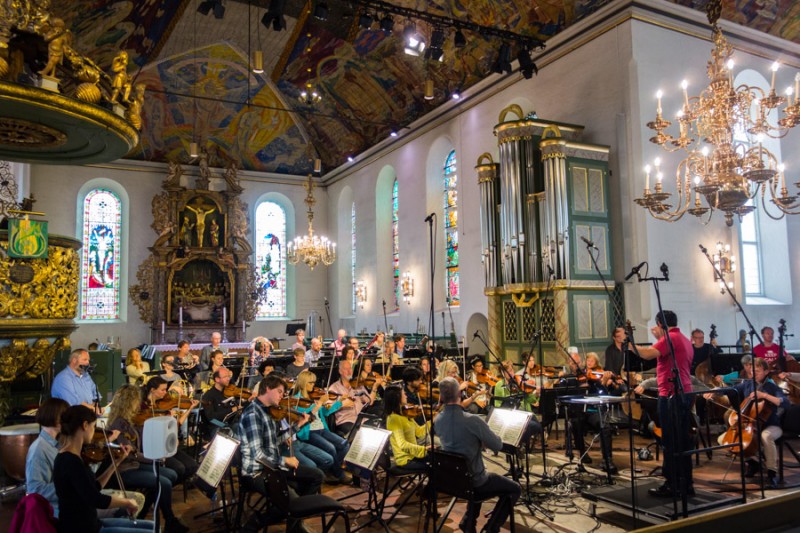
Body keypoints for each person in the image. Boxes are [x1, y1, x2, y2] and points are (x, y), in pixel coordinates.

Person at [235, 375, 321, 533]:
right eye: (280, 391)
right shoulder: (253, 414)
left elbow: (274, 441)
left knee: (316, 476)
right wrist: (284, 460)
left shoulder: (266, 411)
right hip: (257, 472)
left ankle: (293, 520)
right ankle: (258, 521)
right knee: (291, 500)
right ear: (267, 389)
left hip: (272, 466)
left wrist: (297, 426)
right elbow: (258, 455)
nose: (282, 396)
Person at [434, 377, 520, 533]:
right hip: (474, 482)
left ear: (441, 397)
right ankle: (492, 528)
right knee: (514, 488)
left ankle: (468, 522)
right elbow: (497, 445)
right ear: (460, 394)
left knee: (475, 471)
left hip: (453, 480)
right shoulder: (472, 420)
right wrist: (483, 439)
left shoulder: (438, 420)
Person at [53, 405, 155, 533]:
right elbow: (97, 499)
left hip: (92, 523)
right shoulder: (69, 461)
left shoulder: (76, 456)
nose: (94, 431)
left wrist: (116, 462)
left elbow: (94, 487)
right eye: (93, 426)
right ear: (85, 425)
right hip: (81, 528)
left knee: (153, 527)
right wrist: (127, 502)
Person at [106, 385, 186, 531]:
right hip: (123, 469)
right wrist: (154, 459)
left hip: (134, 464)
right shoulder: (119, 423)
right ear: (130, 402)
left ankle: (144, 511)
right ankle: (169, 520)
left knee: (171, 475)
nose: (139, 403)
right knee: (164, 483)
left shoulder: (128, 420)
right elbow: (129, 453)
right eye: (136, 400)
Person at [635, 310, 694, 498]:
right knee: (681, 441)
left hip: (671, 395)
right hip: (684, 393)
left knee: (670, 441)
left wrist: (629, 344)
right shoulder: (683, 338)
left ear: (660, 323)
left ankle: (673, 484)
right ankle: (686, 484)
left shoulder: (671, 338)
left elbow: (647, 354)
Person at [705, 357, 789, 487]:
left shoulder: (771, 387)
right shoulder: (748, 384)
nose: (754, 374)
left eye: (758, 371)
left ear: (766, 372)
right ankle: (753, 463)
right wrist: (715, 392)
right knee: (724, 440)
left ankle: (772, 473)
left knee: (765, 436)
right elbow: (731, 390)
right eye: (753, 371)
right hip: (751, 425)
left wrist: (765, 396)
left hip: (771, 425)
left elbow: (785, 402)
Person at [292, 370, 353, 484]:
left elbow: (325, 413)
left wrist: (339, 402)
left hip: (321, 428)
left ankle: (333, 470)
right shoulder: (297, 399)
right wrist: (319, 403)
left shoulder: (313, 396)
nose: (313, 385)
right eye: (311, 383)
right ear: (303, 383)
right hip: (309, 431)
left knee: (344, 444)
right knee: (331, 448)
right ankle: (339, 474)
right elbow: (304, 416)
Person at [141, 377, 199, 483]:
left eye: (166, 389)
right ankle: (162, 487)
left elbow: (176, 424)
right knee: (179, 468)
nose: (165, 393)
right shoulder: (143, 408)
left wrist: (190, 408)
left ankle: (170, 485)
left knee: (192, 465)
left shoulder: (164, 405)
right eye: (162, 390)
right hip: (155, 446)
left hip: (167, 444)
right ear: (152, 390)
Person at [25, 398, 70, 516]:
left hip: (68, 506)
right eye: (65, 417)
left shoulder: (57, 444)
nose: (68, 421)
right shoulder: (39, 449)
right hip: (55, 513)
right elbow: (35, 490)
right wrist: (72, 489)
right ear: (55, 418)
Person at [328, 359, 381, 437]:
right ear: (340, 371)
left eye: (350, 368)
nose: (349, 371)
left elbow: (370, 401)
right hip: (346, 420)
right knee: (361, 434)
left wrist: (374, 388)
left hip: (361, 419)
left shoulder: (357, 384)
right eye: (346, 369)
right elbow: (328, 407)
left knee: (379, 427)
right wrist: (341, 404)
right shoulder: (334, 388)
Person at [384, 385, 431, 473]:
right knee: (435, 465)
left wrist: (433, 420)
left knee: (439, 460)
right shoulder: (393, 418)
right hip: (405, 460)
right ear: (397, 398)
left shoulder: (405, 414)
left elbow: (420, 432)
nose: (406, 396)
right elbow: (402, 444)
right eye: (403, 394)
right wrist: (424, 449)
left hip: (414, 455)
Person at [51, 349, 103, 414]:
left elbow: (96, 395)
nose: (88, 363)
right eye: (85, 360)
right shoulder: (63, 378)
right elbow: (74, 402)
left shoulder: (86, 375)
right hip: (70, 419)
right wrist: (92, 408)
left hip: (87, 416)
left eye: (88, 360)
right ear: (74, 360)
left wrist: (96, 406)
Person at [201, 367, 242, 437]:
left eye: (228, 376)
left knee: (243, 428)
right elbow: (211, 418)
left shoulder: (229, 392)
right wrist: (231, 410)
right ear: (217, 379)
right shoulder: (208, 395)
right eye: (225, 377)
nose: (228, 378)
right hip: (216, 426)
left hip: (231, 423)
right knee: (230, 433)